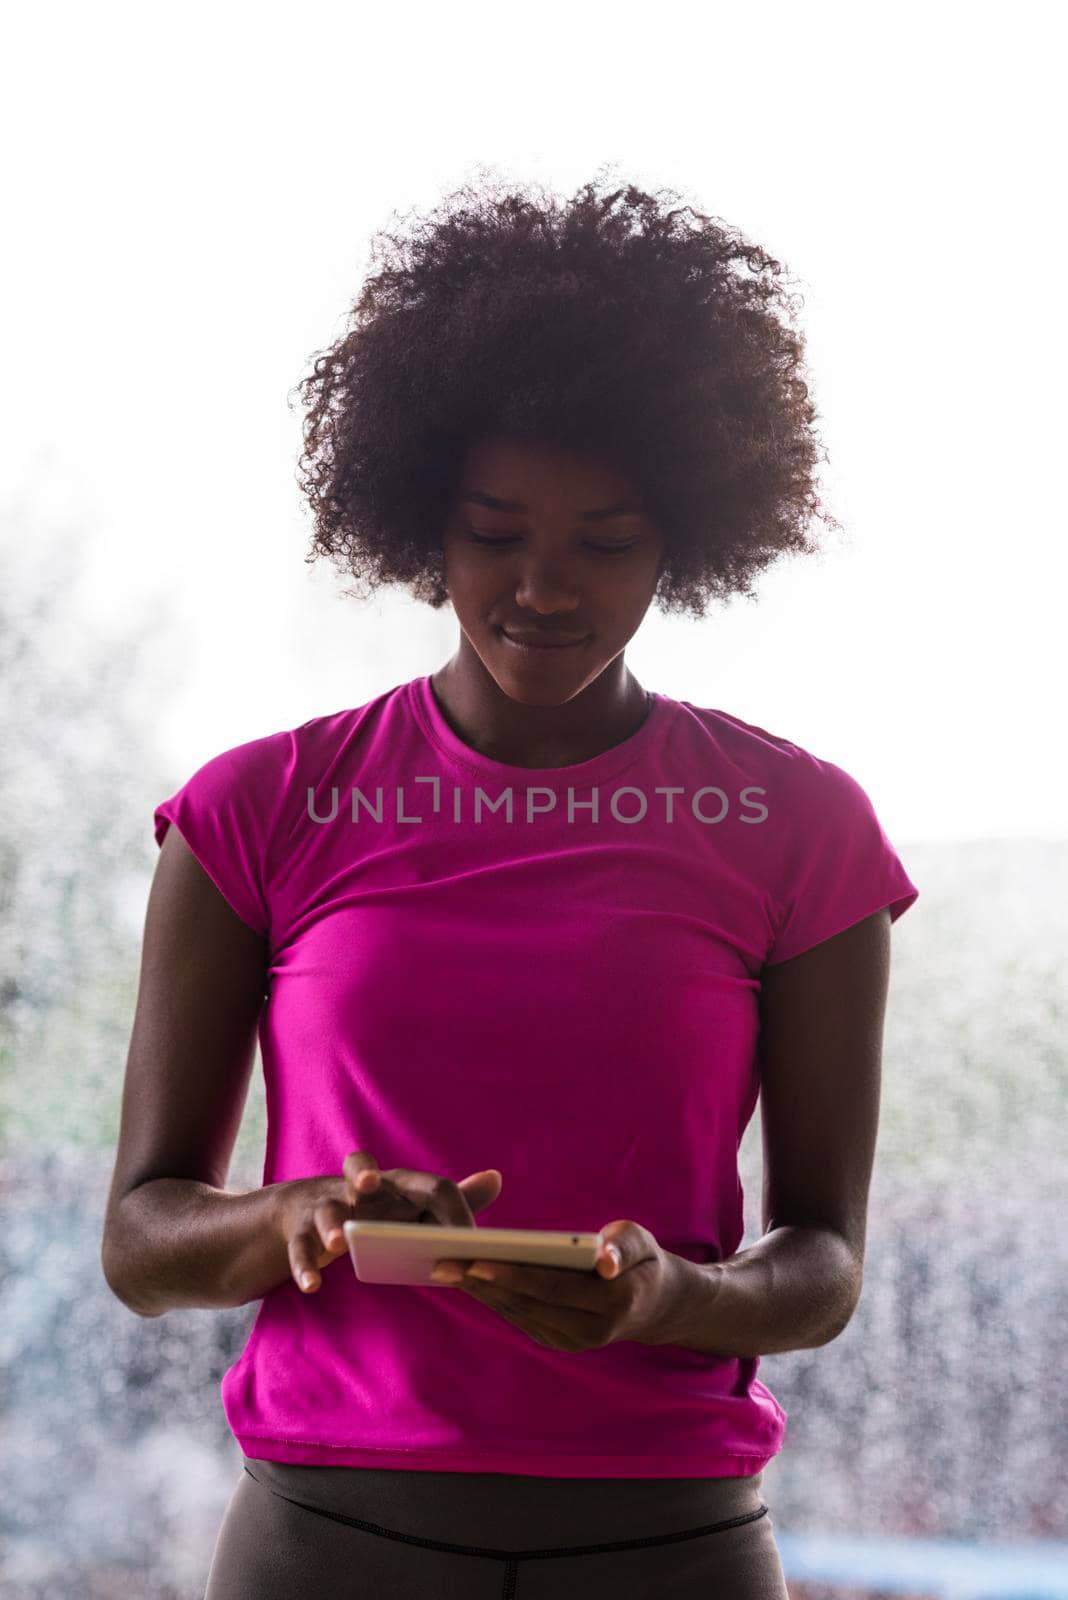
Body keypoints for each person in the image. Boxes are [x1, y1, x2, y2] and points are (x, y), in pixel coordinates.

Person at [101, 171, 920, 1599]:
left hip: (673, 1548)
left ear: (690, 533)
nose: (545, 586)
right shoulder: (259, 811)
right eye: (494, 530)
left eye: (606, 542)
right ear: (420, 519)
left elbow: (825, 1257)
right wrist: (292, 1217)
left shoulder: (801, 828)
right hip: (326, 1546)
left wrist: (679, 1297)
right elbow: (141, 1239)